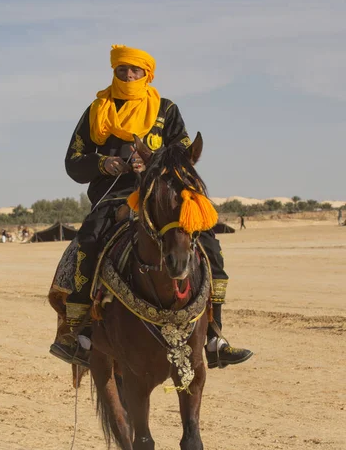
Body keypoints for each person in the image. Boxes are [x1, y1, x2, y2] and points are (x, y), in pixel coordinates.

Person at [49, 45, 253, 370]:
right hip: (114, 197)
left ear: (147, 74)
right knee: (88, 240)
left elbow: (184, 151)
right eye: (122, 70)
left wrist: (156, 165)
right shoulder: (95, 111)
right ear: (113, 72)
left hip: (163, 196)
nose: (129, 76)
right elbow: (73, 163)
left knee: (209, 240)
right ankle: (79, 333)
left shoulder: (166, 110)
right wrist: (104, 163)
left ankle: (215, 337)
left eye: (135, 71)